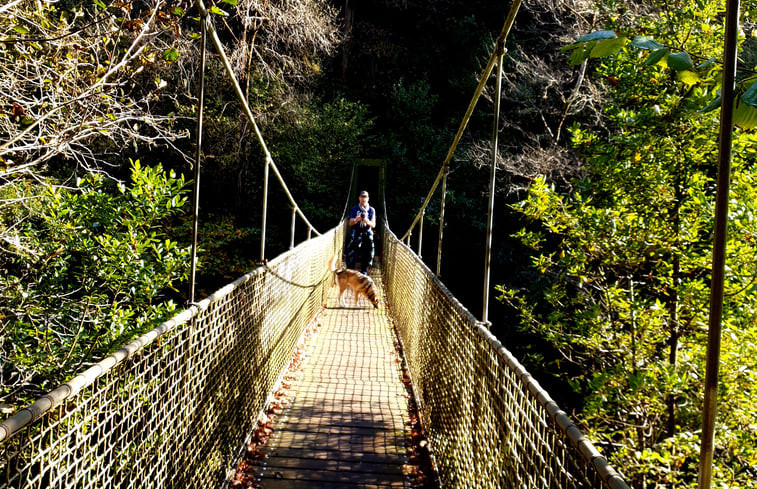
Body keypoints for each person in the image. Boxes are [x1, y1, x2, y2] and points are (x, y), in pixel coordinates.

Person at [346, 190, 376, 274]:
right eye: (362, 197)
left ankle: (364, 271)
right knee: (351, 247)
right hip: (356, 231)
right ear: (359, 198)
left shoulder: (371, 210)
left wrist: (367, 221)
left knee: (369, 247)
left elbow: (373, 225)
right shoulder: (355, 209)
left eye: (365, 197)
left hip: (367, 231)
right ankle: (350, 270)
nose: (363, 199)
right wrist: (356, 219)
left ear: (368, 198)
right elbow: (350, 223)